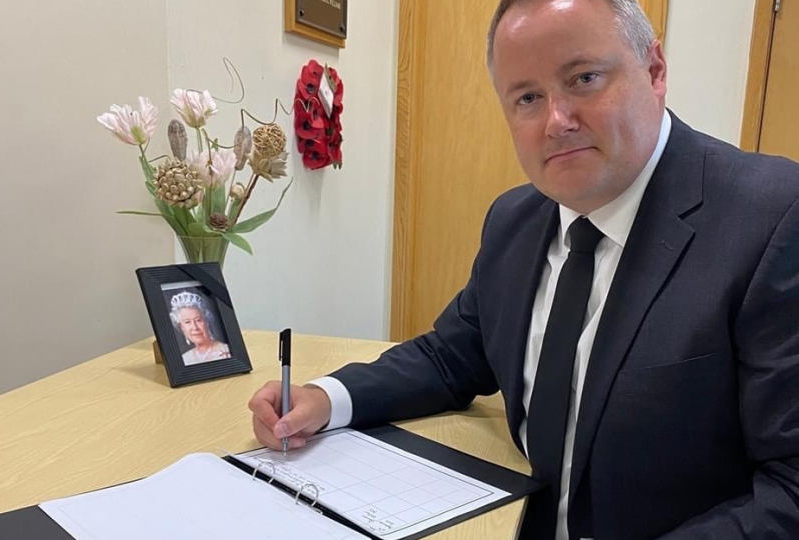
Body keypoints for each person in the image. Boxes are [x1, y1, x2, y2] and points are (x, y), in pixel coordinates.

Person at [249, 0, 799, 538]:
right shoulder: (516, 218)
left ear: (654, 71)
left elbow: (790, 490)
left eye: (584, 78)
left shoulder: (771, 218)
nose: (556, 121)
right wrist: (326, 399)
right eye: (528, 97)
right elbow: (451, 357)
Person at [169, 290, 231, 366]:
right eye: (187, 322)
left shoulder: (227, 351)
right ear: (182, 327)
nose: (194, 327)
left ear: (207, 322)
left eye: (198, 320)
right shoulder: (184, 359)